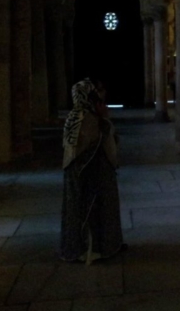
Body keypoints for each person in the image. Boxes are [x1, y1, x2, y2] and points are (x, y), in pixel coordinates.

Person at [60, 77, 125, 264]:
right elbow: (103, 142)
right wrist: (105, 120)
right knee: (93, 211)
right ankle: (93, 249)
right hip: (92, 176)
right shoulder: (89, 119)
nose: (102, 97)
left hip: (80, 175)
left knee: (81, 210)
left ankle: (87, 247)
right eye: (98, 93)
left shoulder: (75, 116)